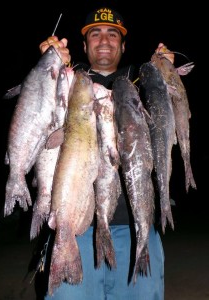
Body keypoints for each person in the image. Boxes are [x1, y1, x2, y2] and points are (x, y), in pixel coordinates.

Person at [37, 7, 165, 300]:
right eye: (95, 34)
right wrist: (49, 66)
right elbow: (38, 125)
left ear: (123, 45)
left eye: (112, 34)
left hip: (136, 228)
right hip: (76, 225)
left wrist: (164, 74)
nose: (104, 40)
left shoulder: (139, 84)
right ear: (84, 45)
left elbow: (164, 127)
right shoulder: (69, 81)